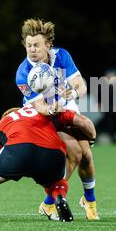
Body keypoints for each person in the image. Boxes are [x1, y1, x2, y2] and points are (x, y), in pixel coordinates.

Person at [15, 18, 99, 220]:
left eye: (36, 45)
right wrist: (52, 107)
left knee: (86, 154)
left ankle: (89, 201)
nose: (32, 49)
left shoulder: (61, 56)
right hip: (41, 116)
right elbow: (40, 107)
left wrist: (74, 94)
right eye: (28, 45)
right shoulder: (23, 73)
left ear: (48, 45)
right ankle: (51, 201)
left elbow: (81, 85)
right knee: (76, 152)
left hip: (66, 107)